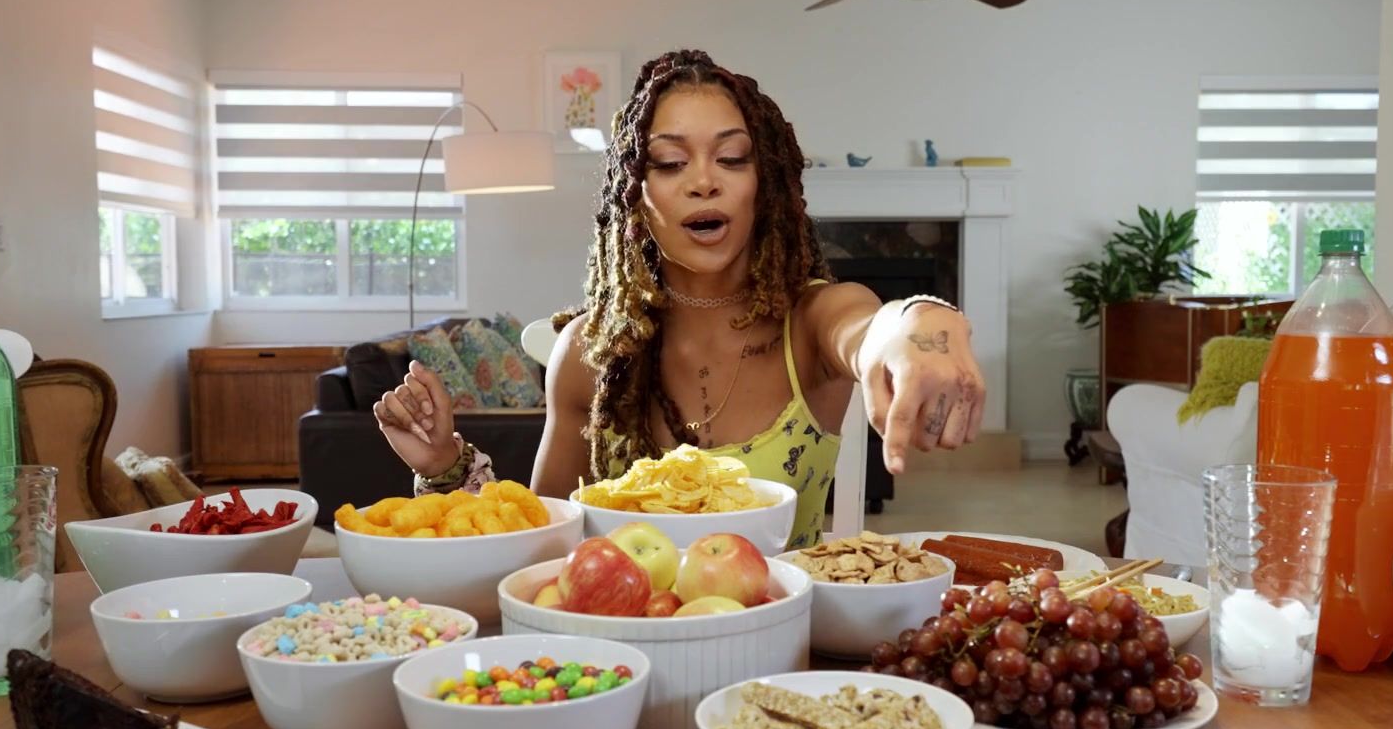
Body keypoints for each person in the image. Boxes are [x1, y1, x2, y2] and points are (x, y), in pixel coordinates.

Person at [373, 49, 985, 549]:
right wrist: (446, 465)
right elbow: (542, 539)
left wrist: (919, 325)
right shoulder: (589, 350)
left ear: (763, 183)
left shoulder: (809, 322)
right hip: (624, 646)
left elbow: (870, 328)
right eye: (669, 162)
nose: (703, 180)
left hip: (782, 644)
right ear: (635, 195)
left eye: (732, 158)